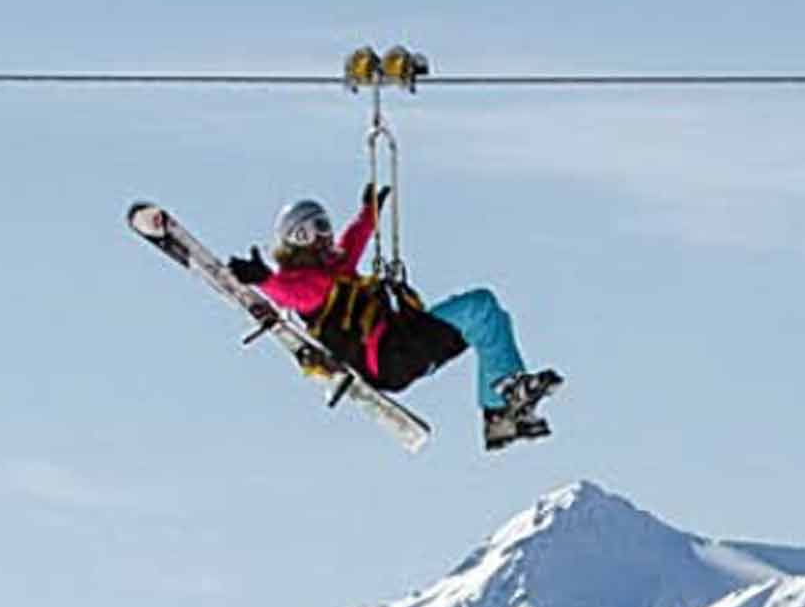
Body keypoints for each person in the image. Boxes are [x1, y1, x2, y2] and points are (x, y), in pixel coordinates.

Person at [229, 190, 561, 451]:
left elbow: (353, 243)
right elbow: (289, 293)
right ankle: (505, 396)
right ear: (299, 236)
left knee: (488, 318)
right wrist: (263, 280)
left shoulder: (332, 271)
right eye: (318, 228)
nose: (327, 235)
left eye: (326, 225)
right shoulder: (310, 285)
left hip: (398, 349)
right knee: (479, 308)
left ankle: (501, 414)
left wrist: (369, 213)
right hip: (391, 353)